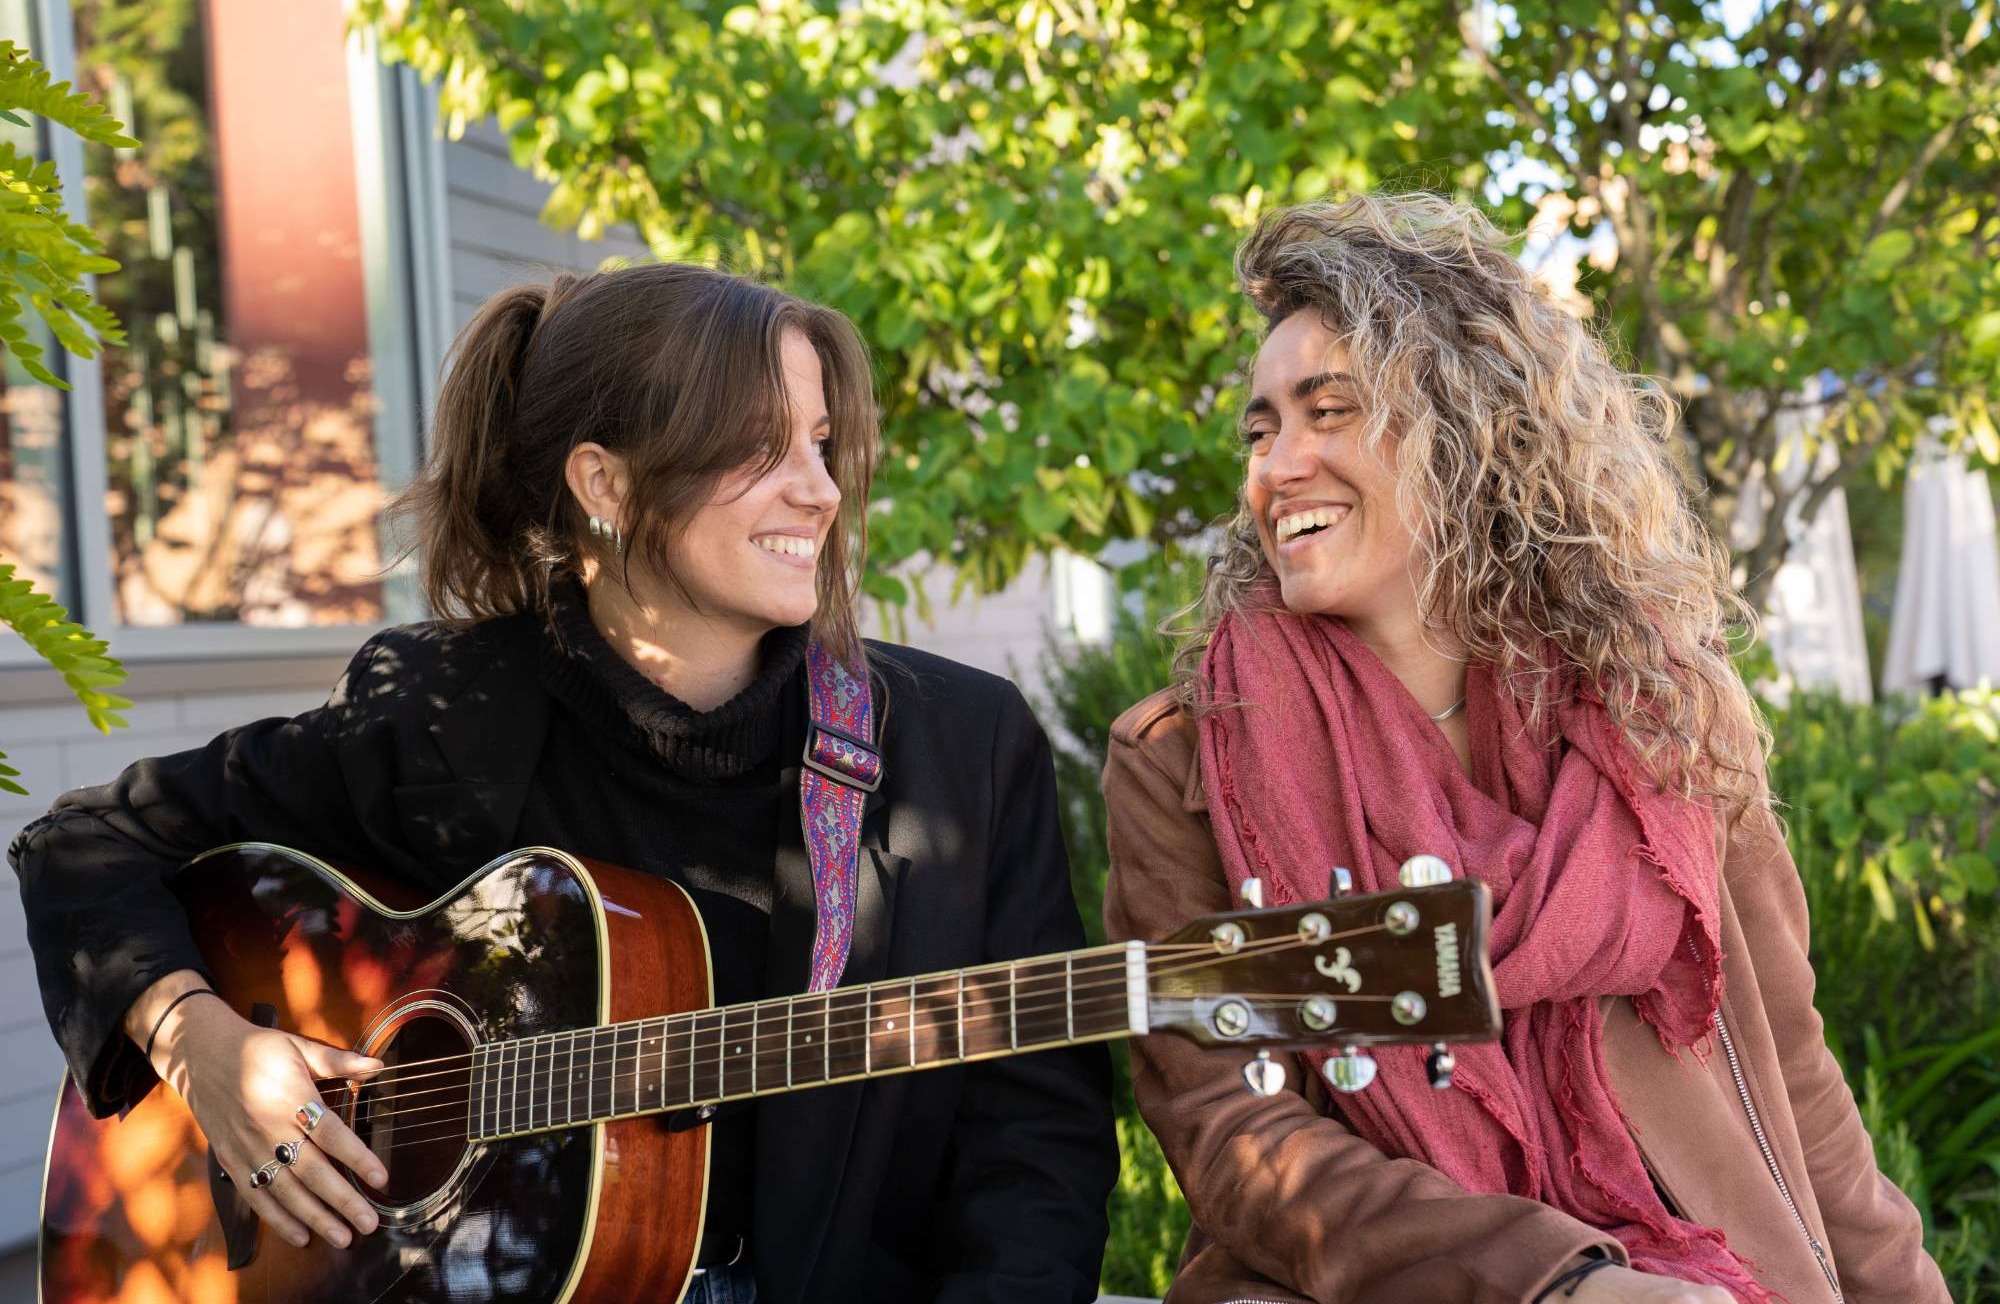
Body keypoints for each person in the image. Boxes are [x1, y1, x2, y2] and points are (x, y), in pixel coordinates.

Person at [12, 262, 1116, 1304]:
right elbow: (87, 842)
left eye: (822, 444)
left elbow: (1036, 1138)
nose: (820, 492)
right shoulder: (441, 716)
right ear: (606, 484)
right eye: (761, 449)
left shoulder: (957, 749)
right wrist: (202, 1045)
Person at [1101, 194, 1947, 1304]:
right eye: (1260, 432)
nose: (1276, 467)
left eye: (1329, 411)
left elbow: (1791, 1072)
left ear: (1466, 431)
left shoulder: (1658, 713)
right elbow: (1235, 1137)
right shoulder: (1186, 759)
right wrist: (1558, 1280)